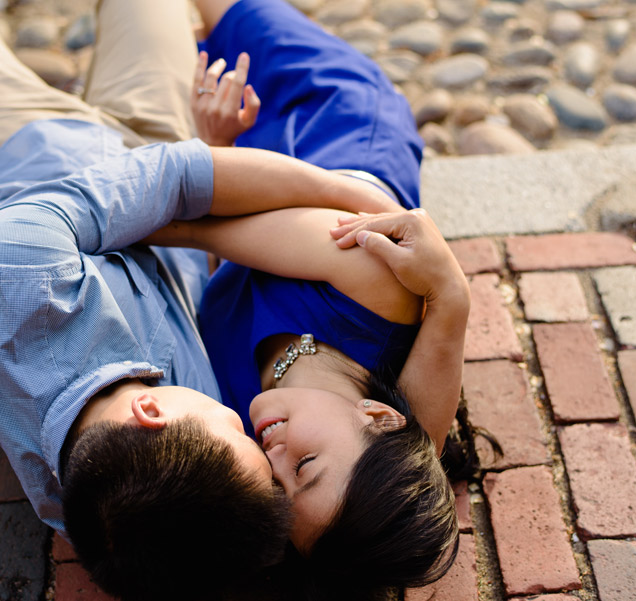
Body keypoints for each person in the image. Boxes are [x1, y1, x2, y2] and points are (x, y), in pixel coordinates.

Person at [0, 0, 405, 599]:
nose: (246, 418)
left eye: (234, 432)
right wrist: (349, 193)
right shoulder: (149, 502)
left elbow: (175, 180)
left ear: (151, 414)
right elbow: (380, 487)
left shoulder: (1, 276)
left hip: (25, 145)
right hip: (155, 140)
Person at [144, 0, 475, 598]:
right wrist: (54, 225)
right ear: (376, 417)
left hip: (239, 163)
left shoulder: (241, 409)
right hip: (332, 122)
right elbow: (195, 229)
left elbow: (227, 272)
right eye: (306, 467)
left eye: (277, 490)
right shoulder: (375, 287)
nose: (271, 459)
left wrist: (213, 143)